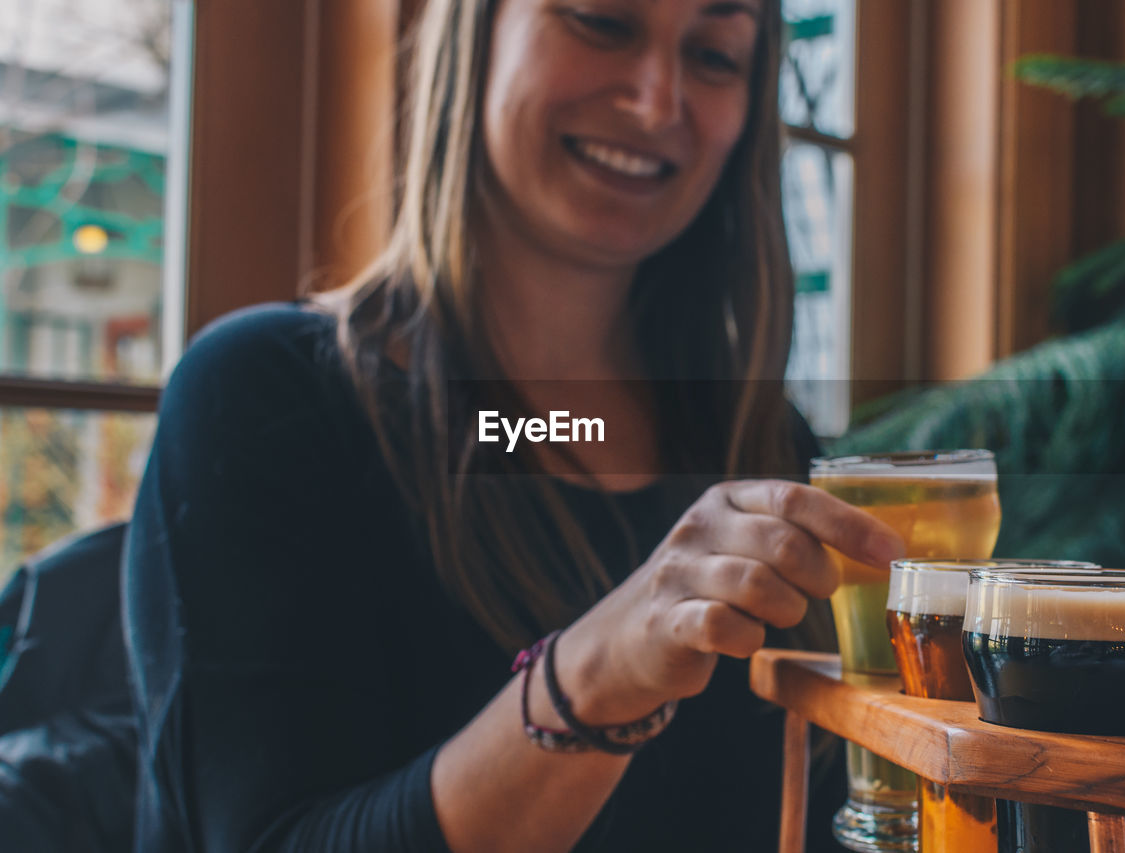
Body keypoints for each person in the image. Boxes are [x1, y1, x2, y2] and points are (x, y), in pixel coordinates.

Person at [123, 0, 906, 850]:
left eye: (715, 55)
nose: (656, 101)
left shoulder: (765, 445)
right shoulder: (271, 397)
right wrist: (594, 677)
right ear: (477, 33)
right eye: (603, 21)